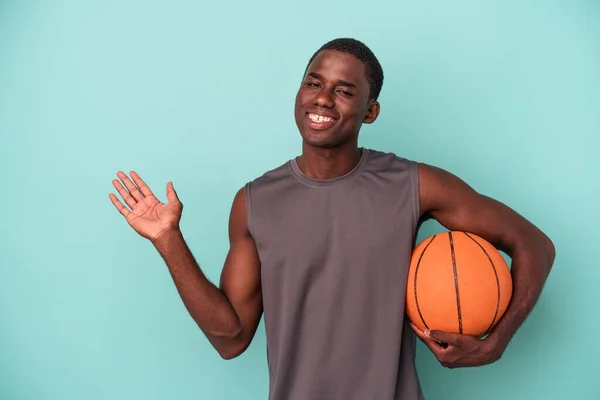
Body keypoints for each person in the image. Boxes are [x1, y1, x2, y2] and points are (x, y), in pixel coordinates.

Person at [108, 38, 555, 400]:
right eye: (313, 83)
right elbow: (231, 337)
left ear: (371, 111)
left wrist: (496, 343)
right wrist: (168, 239)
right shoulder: (255, 201)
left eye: (345, 90)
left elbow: (533, 244)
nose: (323, 98)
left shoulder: (414, 185)